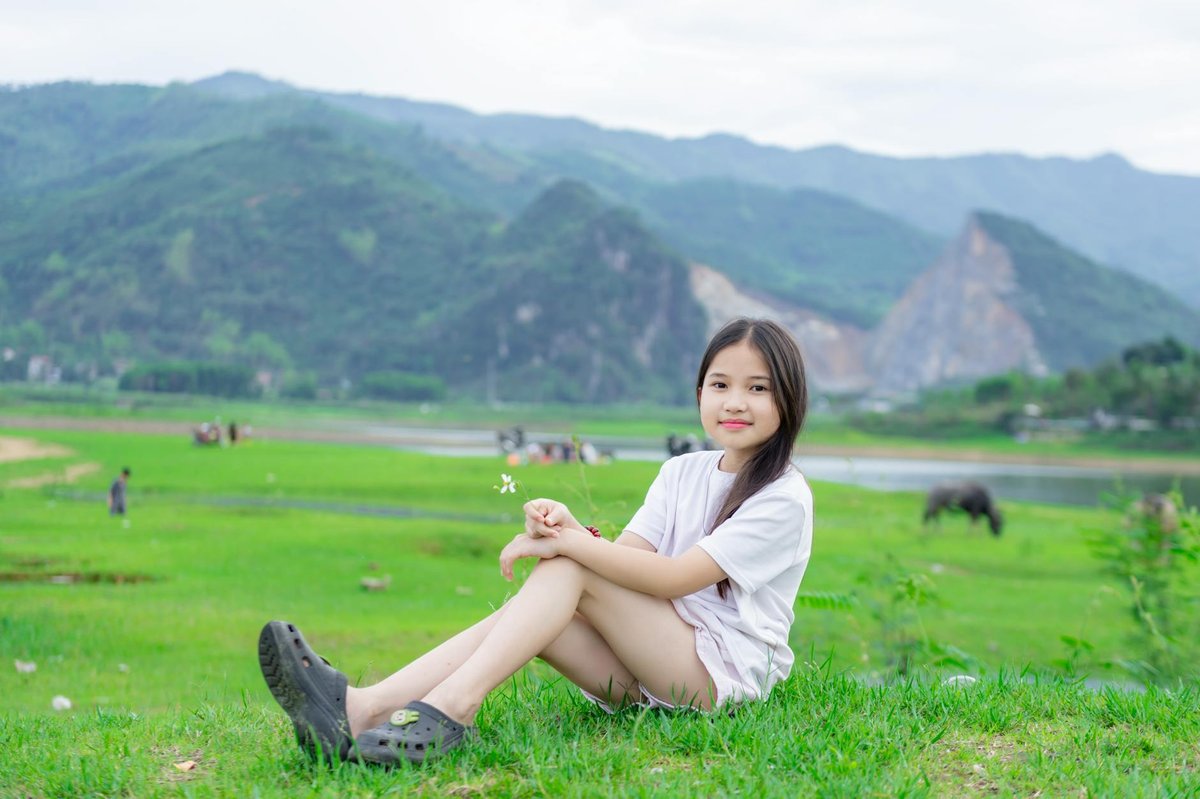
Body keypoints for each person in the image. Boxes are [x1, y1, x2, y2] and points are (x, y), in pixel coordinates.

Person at [258, 317, 813, 766]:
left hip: (712, 679)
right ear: (698, 393)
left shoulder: (782, 497)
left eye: (757, 389)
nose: (735, 402)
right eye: (720, 385)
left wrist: (571, 548)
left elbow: (675, 578)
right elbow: (631, 560)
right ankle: (361, 709)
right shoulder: (682, 471)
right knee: (546, 601)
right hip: (644, 667)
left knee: (569, 569)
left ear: (788, 401)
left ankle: (451, 708)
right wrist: (569, 531)